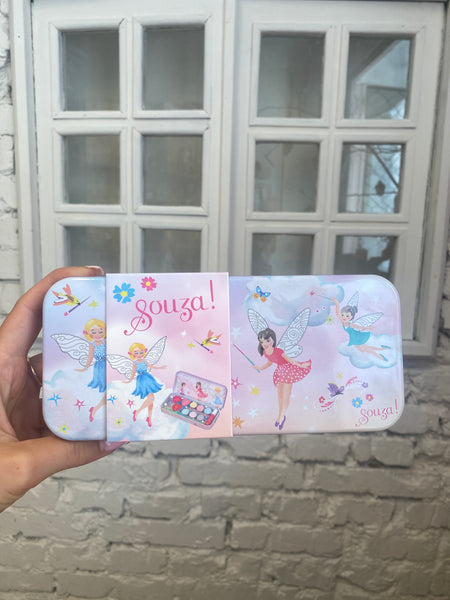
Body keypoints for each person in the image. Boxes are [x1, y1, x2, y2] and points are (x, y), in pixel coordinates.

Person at [0, 266, 125, 513]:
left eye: (100, 330)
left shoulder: (108, 341)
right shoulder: (90, 346)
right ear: (89, 333)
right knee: (100, 395)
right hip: (98, 371)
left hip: (108, 369)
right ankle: (97, 412)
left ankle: (100, 411)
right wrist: (83, 369)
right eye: (94, 331)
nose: (98, 334)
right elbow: (88, 359)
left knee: (109, 394)